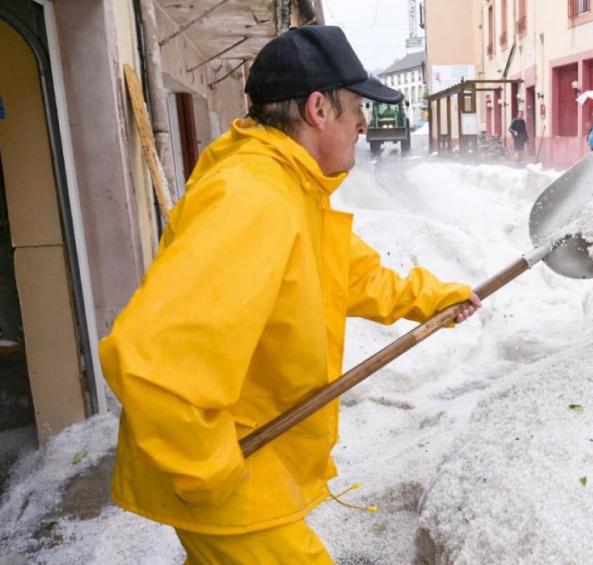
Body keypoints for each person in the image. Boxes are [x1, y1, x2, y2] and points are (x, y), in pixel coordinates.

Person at [99, 26, 480, 564]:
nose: (364, 124)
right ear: (319, 109)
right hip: (234, 482)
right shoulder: (254, 197)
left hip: (252, 465)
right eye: (356, 109)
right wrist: (210, 472)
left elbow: (354, 276)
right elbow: (150, 358)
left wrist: (434, 300)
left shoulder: (293, 188)